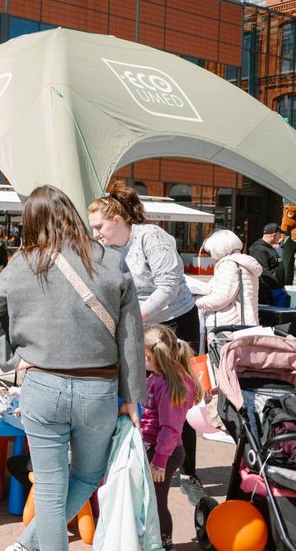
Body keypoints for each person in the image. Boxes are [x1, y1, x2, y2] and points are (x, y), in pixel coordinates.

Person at [0, 185, 144, 551]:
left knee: (49, 488)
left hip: (42, 386)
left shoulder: (24, 263)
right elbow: (131, 336)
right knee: (88, 474)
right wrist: (132, 396)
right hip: (98, 388)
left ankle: (29, 544)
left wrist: (12, 360)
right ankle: (27, 545)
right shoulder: (110, 260)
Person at [86, 181, 205, 503]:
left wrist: (136, 317)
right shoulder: (110, 249)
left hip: (173, 320)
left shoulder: (151, 237)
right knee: (141, 389)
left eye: (99, 226)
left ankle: (189, 469)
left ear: (117, 218)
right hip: (140, 320)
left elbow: (169, 284)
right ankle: (146, 450)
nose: (96, 233)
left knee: (177, 393)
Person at [142, 324, 202, 551]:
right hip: (160, 448)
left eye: (146, 359)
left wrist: (159, 462)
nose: (144, 364)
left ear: (154, 355)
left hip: (162, 452)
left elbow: (170, 428)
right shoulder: (166, 376)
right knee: (152, 499)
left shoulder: (167, 384)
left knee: (157, 502)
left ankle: (165, 544)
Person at [192, 229, 261, 332]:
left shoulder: (229, 265)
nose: (211, 254)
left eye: (211, 251)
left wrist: (195, 301)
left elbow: (222, 298)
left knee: (221, 348)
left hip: (226, 325)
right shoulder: (242, 263)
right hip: (241, 322)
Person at [249, 222, 288, 307]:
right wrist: (276, 288)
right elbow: (263, 272)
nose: (280, 237)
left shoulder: (270, 248)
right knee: (277, 317)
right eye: (279, 235)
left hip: (277, 289)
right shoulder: (259, 250)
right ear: (273, 235)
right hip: (270, 292)